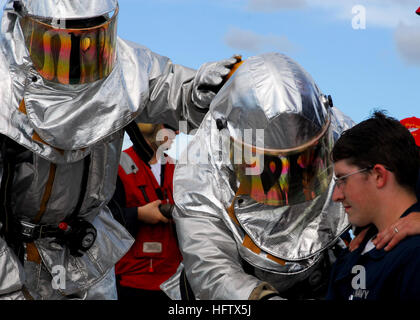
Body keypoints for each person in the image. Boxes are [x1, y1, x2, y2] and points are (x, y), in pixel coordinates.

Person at [0, 0, 238, 300]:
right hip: (17, 259)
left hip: (88, 256)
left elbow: (166, 84)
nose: (77, 56)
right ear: (23, 28)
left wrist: (198, 90)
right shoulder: (4, 89)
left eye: (90, 40)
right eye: (61, 43)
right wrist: (7, 289)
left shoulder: (125, 66)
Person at [161, 52, 357, 300]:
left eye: (301, 162)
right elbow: (211, 266)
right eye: (273, 167)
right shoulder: (199, 171)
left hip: (317, 279)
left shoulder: (343, 135)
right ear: (233, 146)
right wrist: (258, 297)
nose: (290, 182)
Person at [326, 111, 420, 300]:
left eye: (343, 180)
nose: (336, 196)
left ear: (378, 175)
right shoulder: (347, 261)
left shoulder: (414, 257)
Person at [109, 122, 181, 300]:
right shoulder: (115, 167)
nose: (177, 132)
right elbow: (103, 218)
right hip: (133, 281)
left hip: (174, 281)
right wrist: (139, 214)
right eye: (170, 127)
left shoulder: (179, 168)